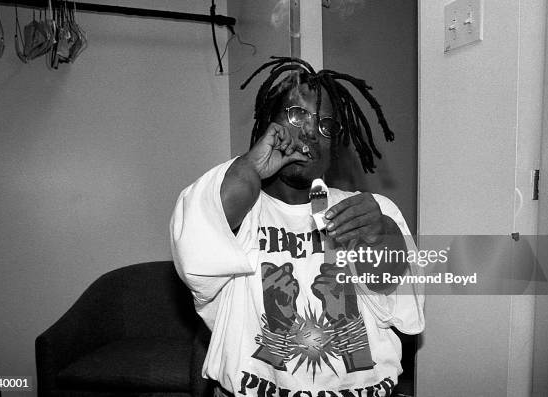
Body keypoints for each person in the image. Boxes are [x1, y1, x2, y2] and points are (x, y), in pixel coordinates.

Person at [170, 57, 424, 397]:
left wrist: (384, 236)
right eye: (295, 115)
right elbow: (196, 245)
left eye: (325, 126)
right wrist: (251, 166)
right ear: (267, 126)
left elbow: (405, 310)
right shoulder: (239, 209)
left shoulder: (369, 211)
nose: (309, 133)